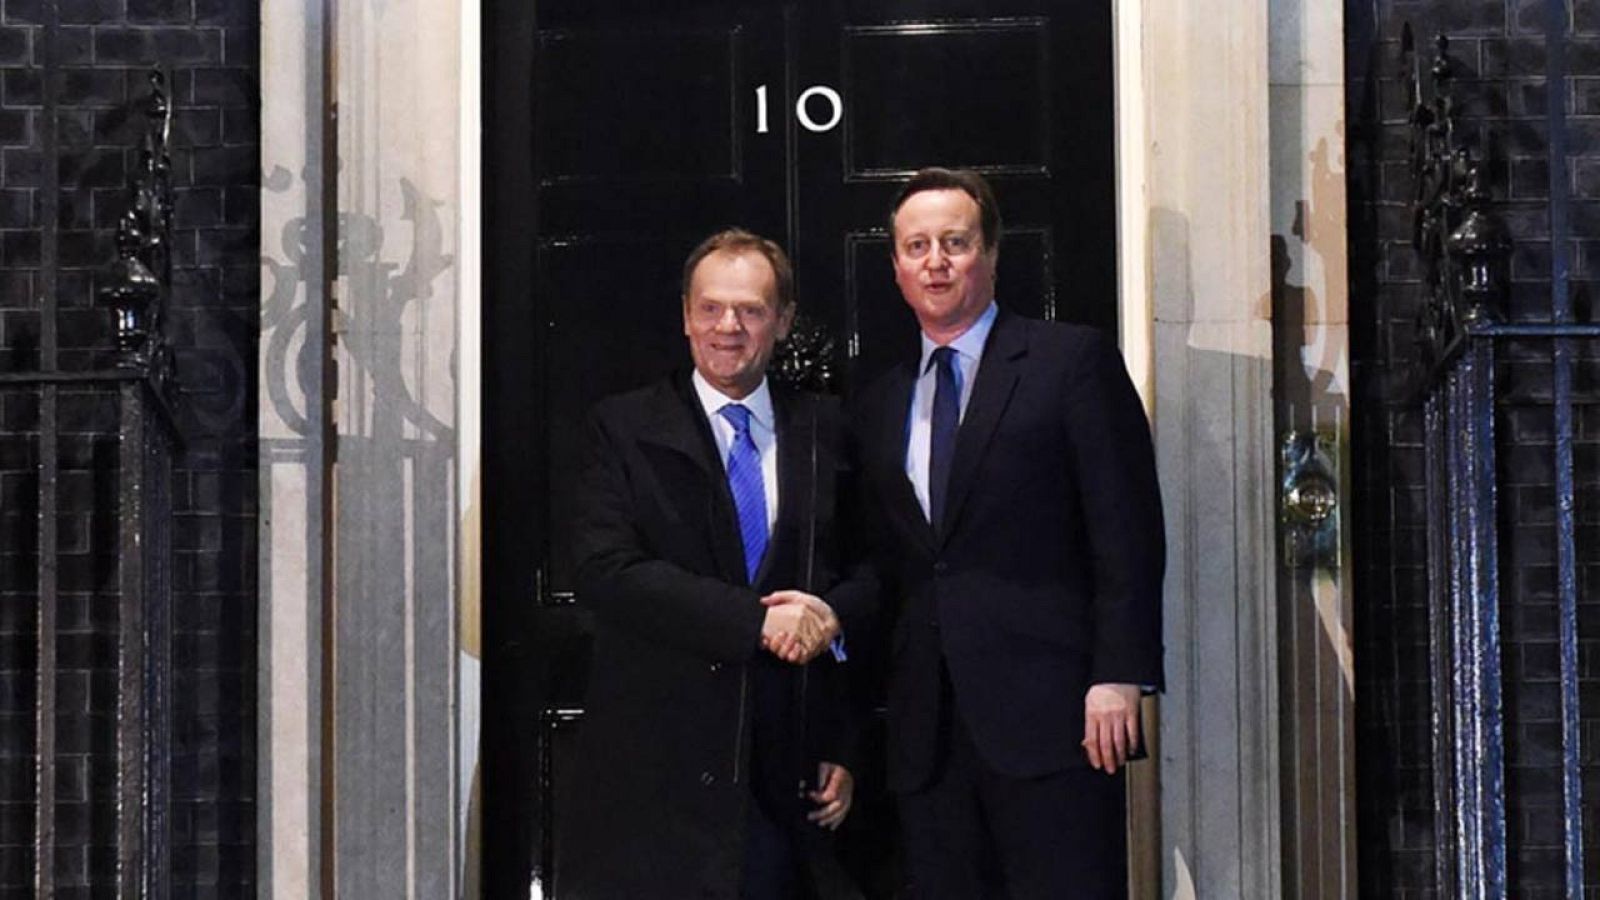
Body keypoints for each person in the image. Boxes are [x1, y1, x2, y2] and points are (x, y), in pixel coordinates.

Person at [850, 168, 1165, 898]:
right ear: (896, 266)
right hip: (928, 735)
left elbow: (1126, 528)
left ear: (991, 253)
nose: (936, 261)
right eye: (917, 245)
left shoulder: (1069, 362)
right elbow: (891, 562)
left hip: (1056, 718)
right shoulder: (880, 399)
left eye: (955, 242)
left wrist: (1117, 673)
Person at [559, 228, 875, 899]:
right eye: (711, 308)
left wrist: (842, 732)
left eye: (751, 310)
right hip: (655, 781)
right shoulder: (621, 427)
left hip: (786, 781)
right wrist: (752, 622)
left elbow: (869, 575)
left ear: (783, 320)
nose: (728, 327)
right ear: (685, 316)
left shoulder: (829, 431)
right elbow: (603, 568)